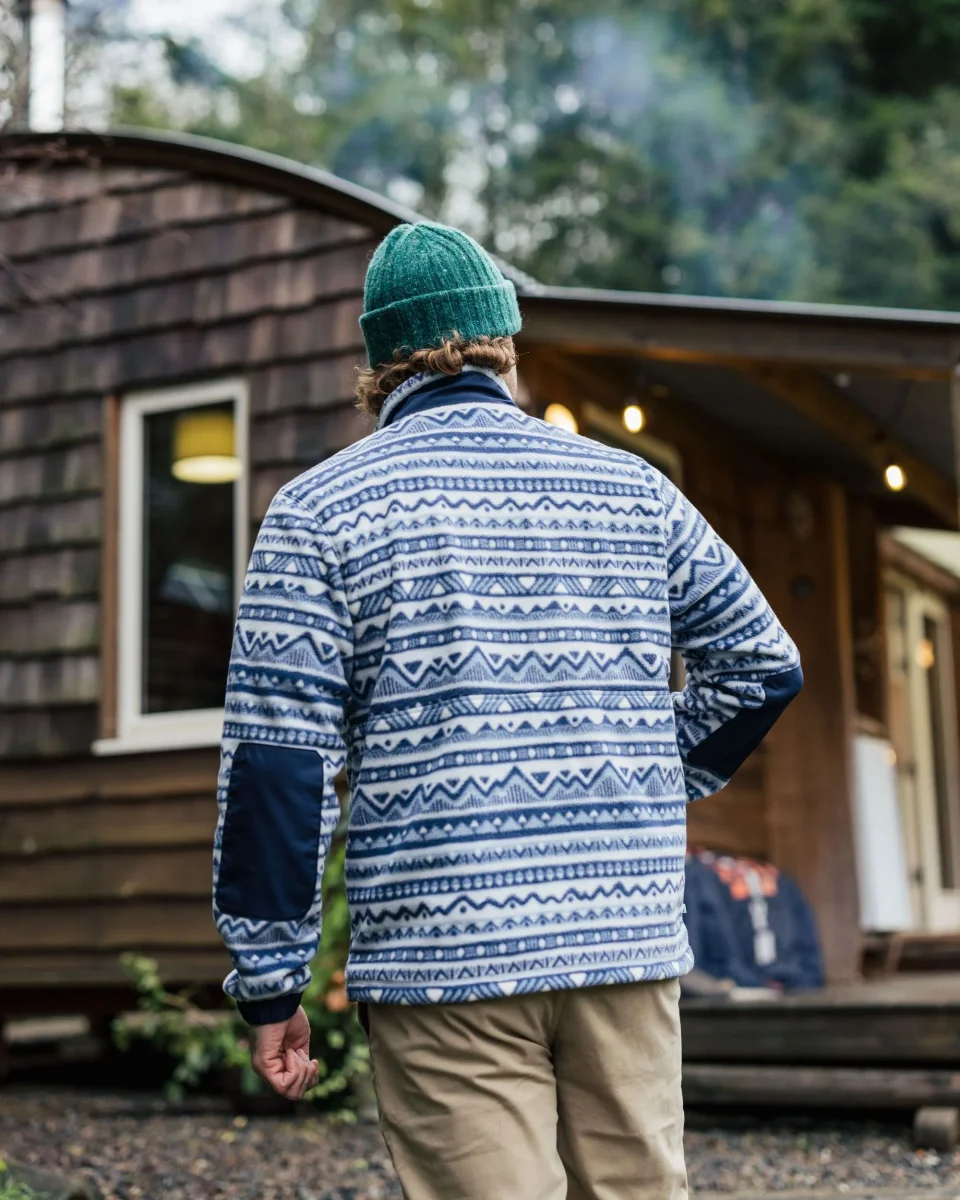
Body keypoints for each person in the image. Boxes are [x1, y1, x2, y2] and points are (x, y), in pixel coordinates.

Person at [212, 220, 802, 1199]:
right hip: (623, 940)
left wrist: (271, 981)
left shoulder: (317, 513)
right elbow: (763, 667)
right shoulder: (633, 491)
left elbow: (280, 765)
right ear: (505, 346)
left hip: (441, 955)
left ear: (378, 368)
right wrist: (645, 775)